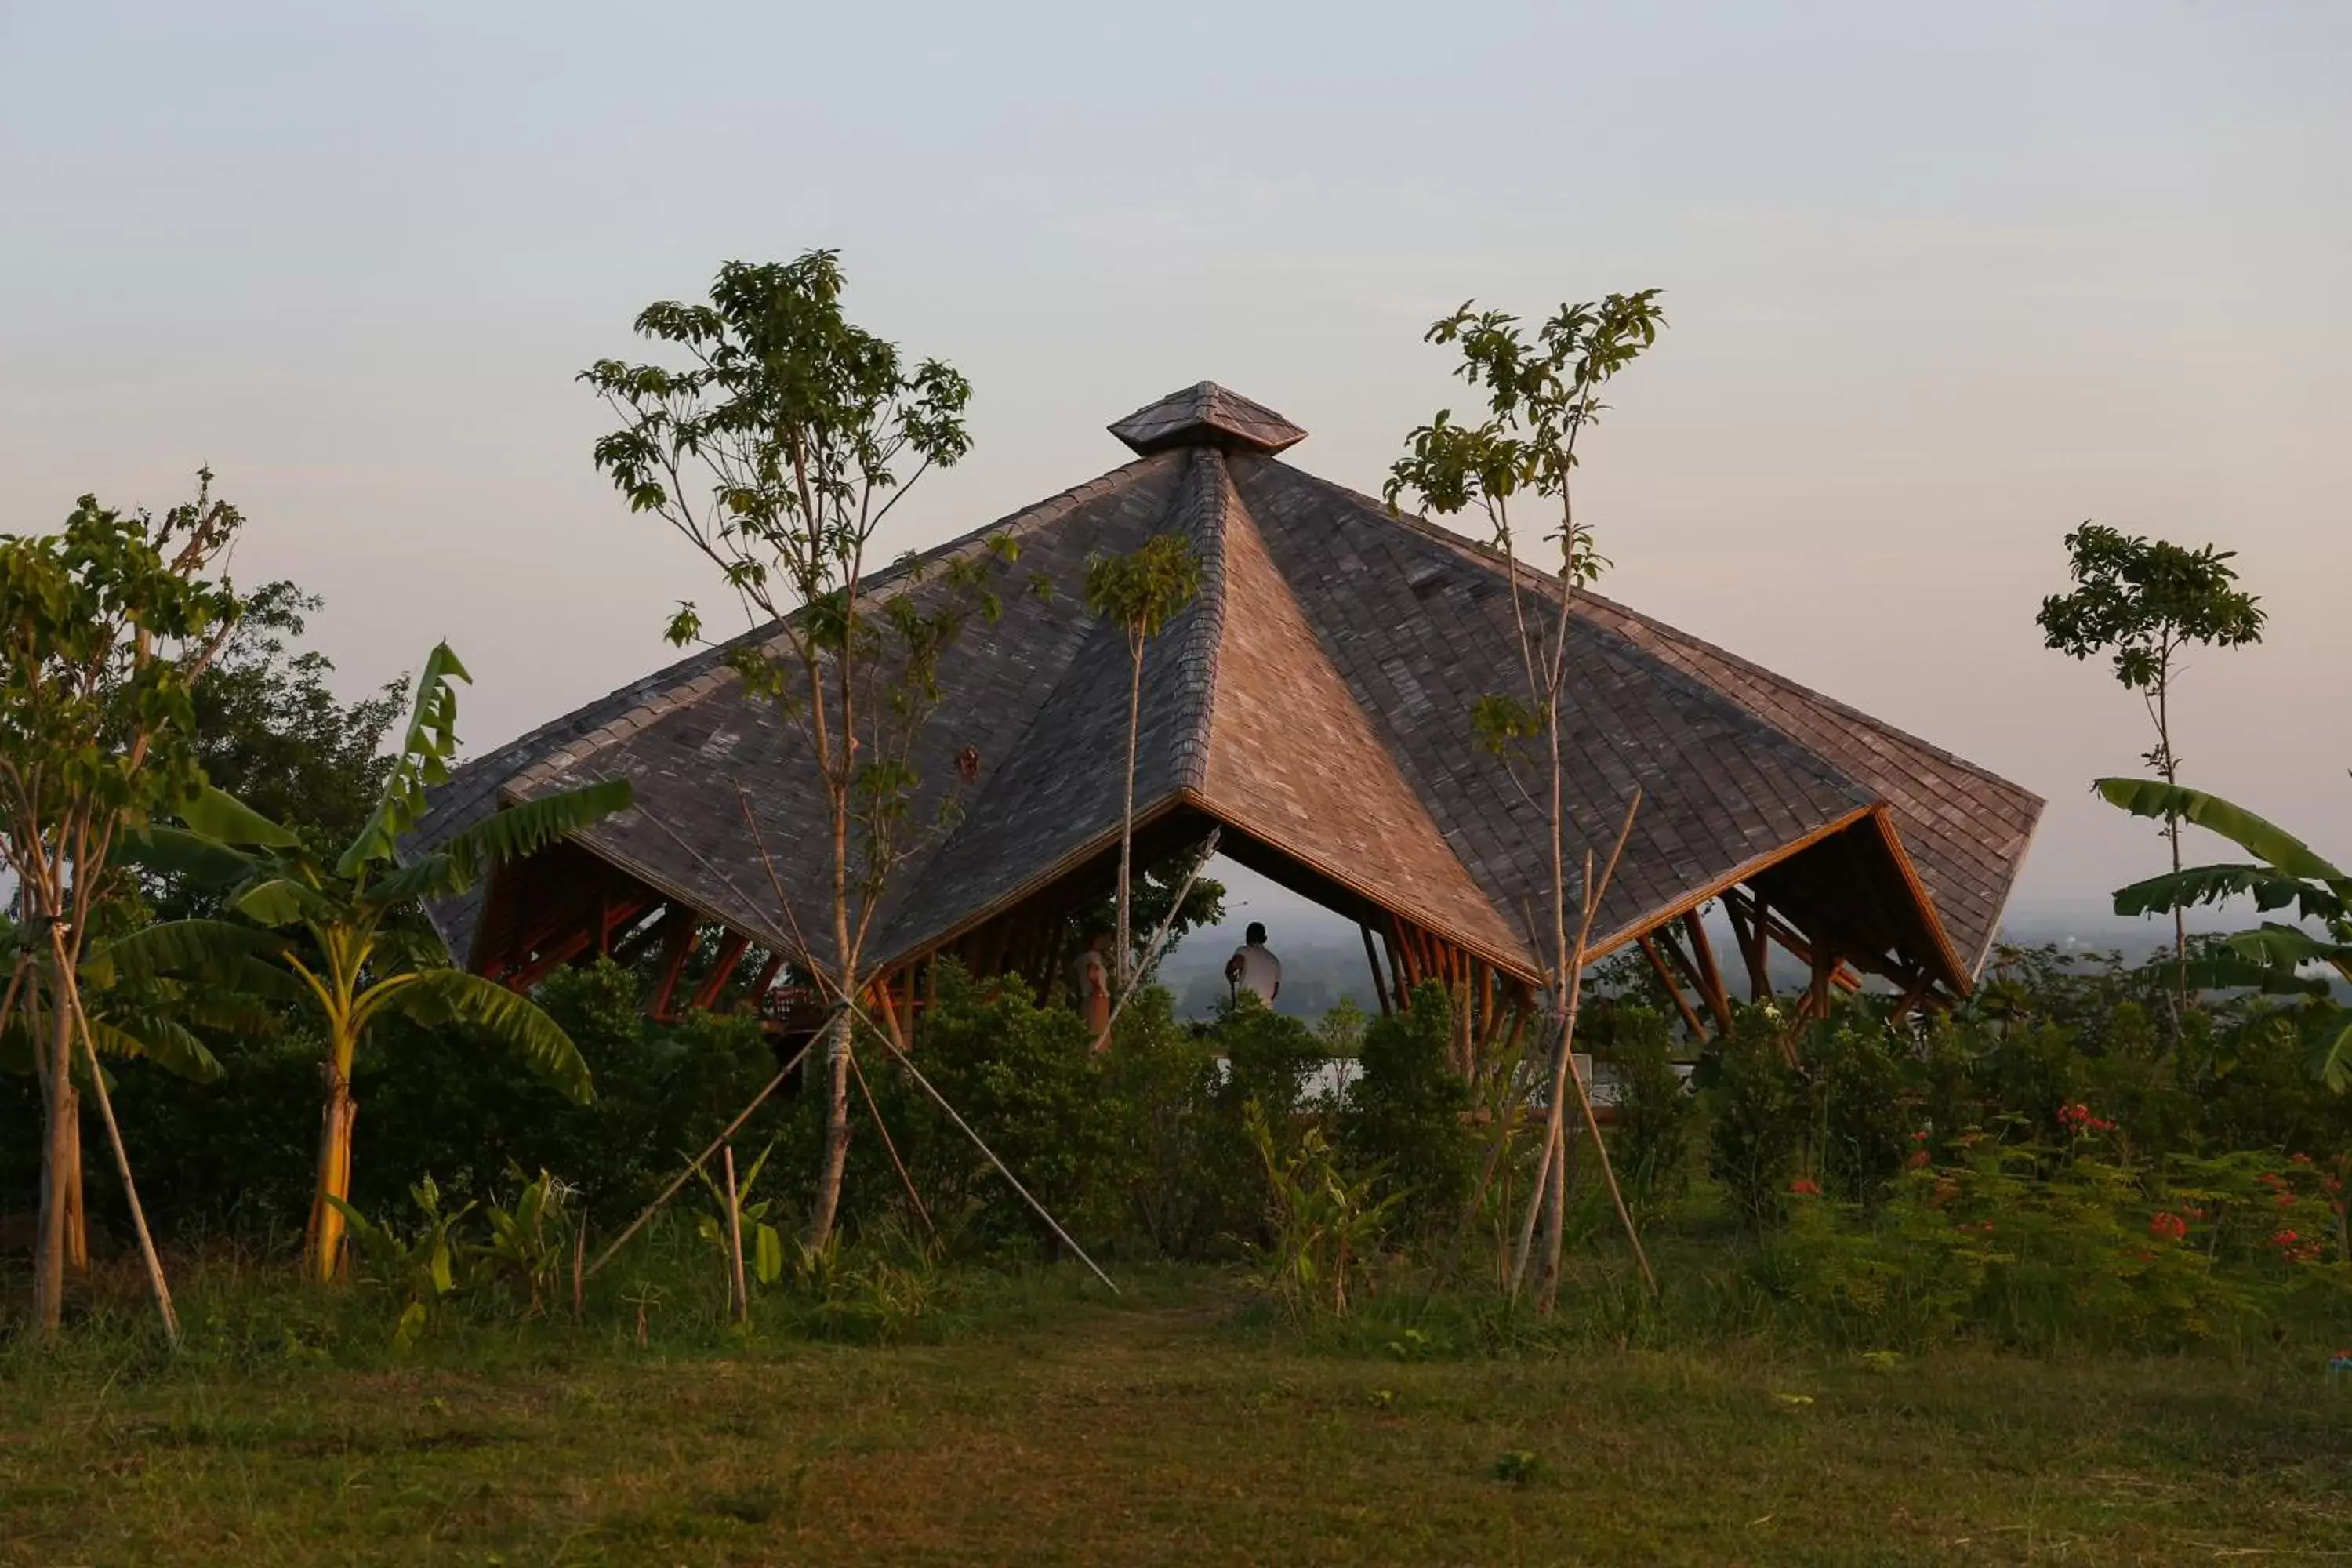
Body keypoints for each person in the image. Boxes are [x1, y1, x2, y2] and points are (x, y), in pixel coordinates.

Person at [1224, 921, 1281, 1005]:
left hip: (1246, 1008)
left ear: (1247, 938)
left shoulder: (1243, 951)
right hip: (1265, 1011)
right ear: (1265, 939)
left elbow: (1236, 964)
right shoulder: (1275, 961)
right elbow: (1274, 992)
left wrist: (1229, 971)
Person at [1075, 930, 1113, 1044]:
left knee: (1089, 1033)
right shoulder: (1094, 957)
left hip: (1085, 998)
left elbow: (1071, 973)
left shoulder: (1081, 958)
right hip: (1097, 998)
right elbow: (1094, 973)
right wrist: (1102, 990)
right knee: (1099, 1033)